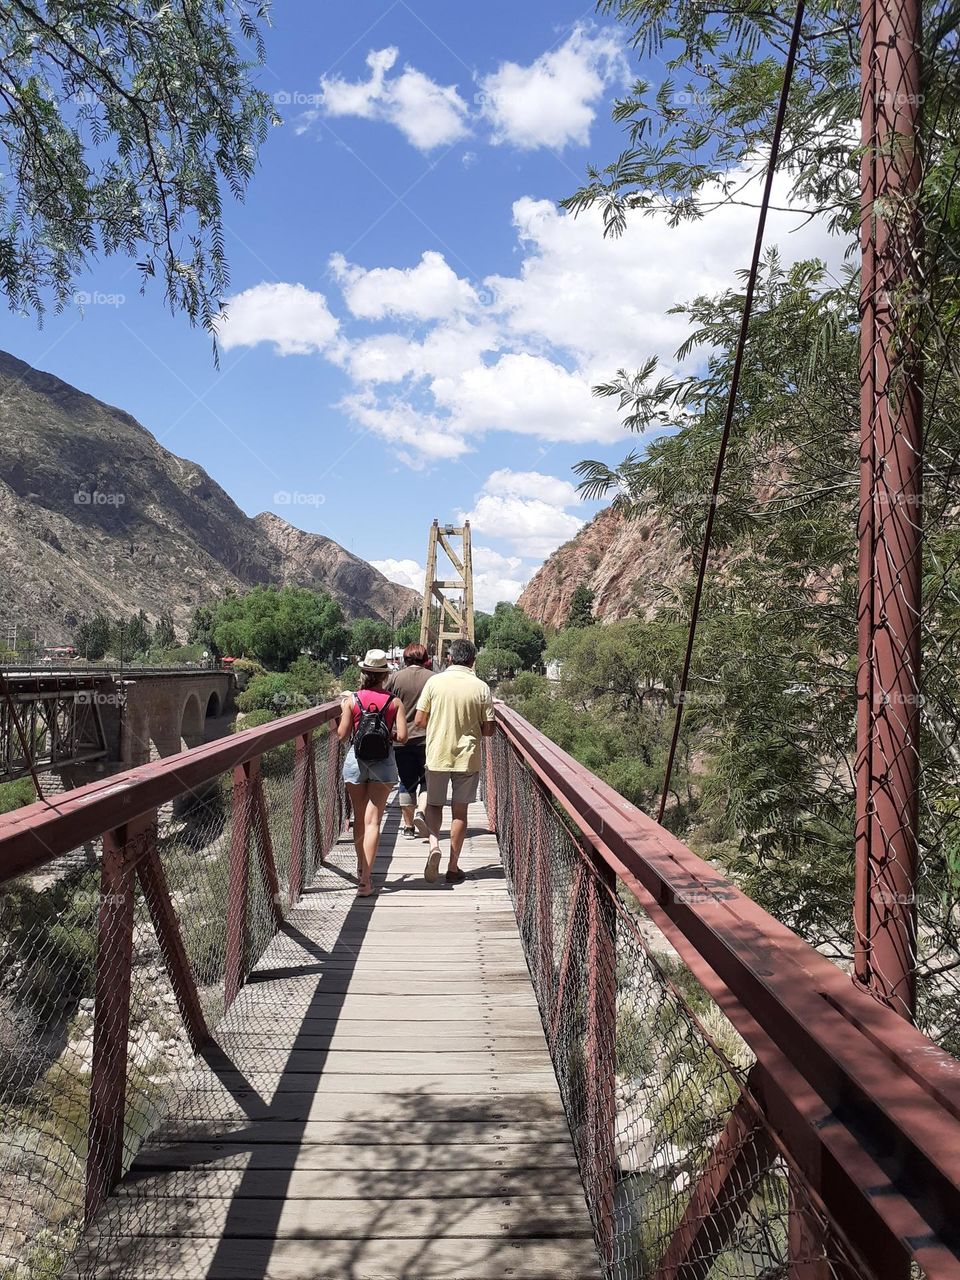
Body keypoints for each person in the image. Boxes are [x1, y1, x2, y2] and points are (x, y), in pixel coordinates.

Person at [414, 637, 495, 885]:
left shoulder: (433, 683)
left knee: (435, 806)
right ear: (472, 660)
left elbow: (419, 720)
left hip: (437, 753)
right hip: (467, 758)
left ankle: (434, 846)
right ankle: (452, 867)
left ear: (449, 658)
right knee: (460, 813)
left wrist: (438, 725)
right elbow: (489, 730)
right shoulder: (481, 687)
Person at [337, 649, 407, 897]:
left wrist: (342, 712)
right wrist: (386, 732)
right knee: (373, 820)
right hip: (384, 764)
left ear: (363, 672)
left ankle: (360, 868)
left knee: (359, 818)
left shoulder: (352, 700)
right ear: (384, 675)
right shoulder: (394, 702)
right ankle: (366, 880)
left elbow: (343, 735)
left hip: (356, 763)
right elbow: (403, 737)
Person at [386, 642, 434, 840]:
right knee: (426, 781)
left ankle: (407, 828)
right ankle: (421, 813)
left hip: (401, 739)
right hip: (428, 739)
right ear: (425, 659)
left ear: (405, 658)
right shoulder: (433, 679)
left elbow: (385, 702)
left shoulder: (395, 678)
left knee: (406, 782)